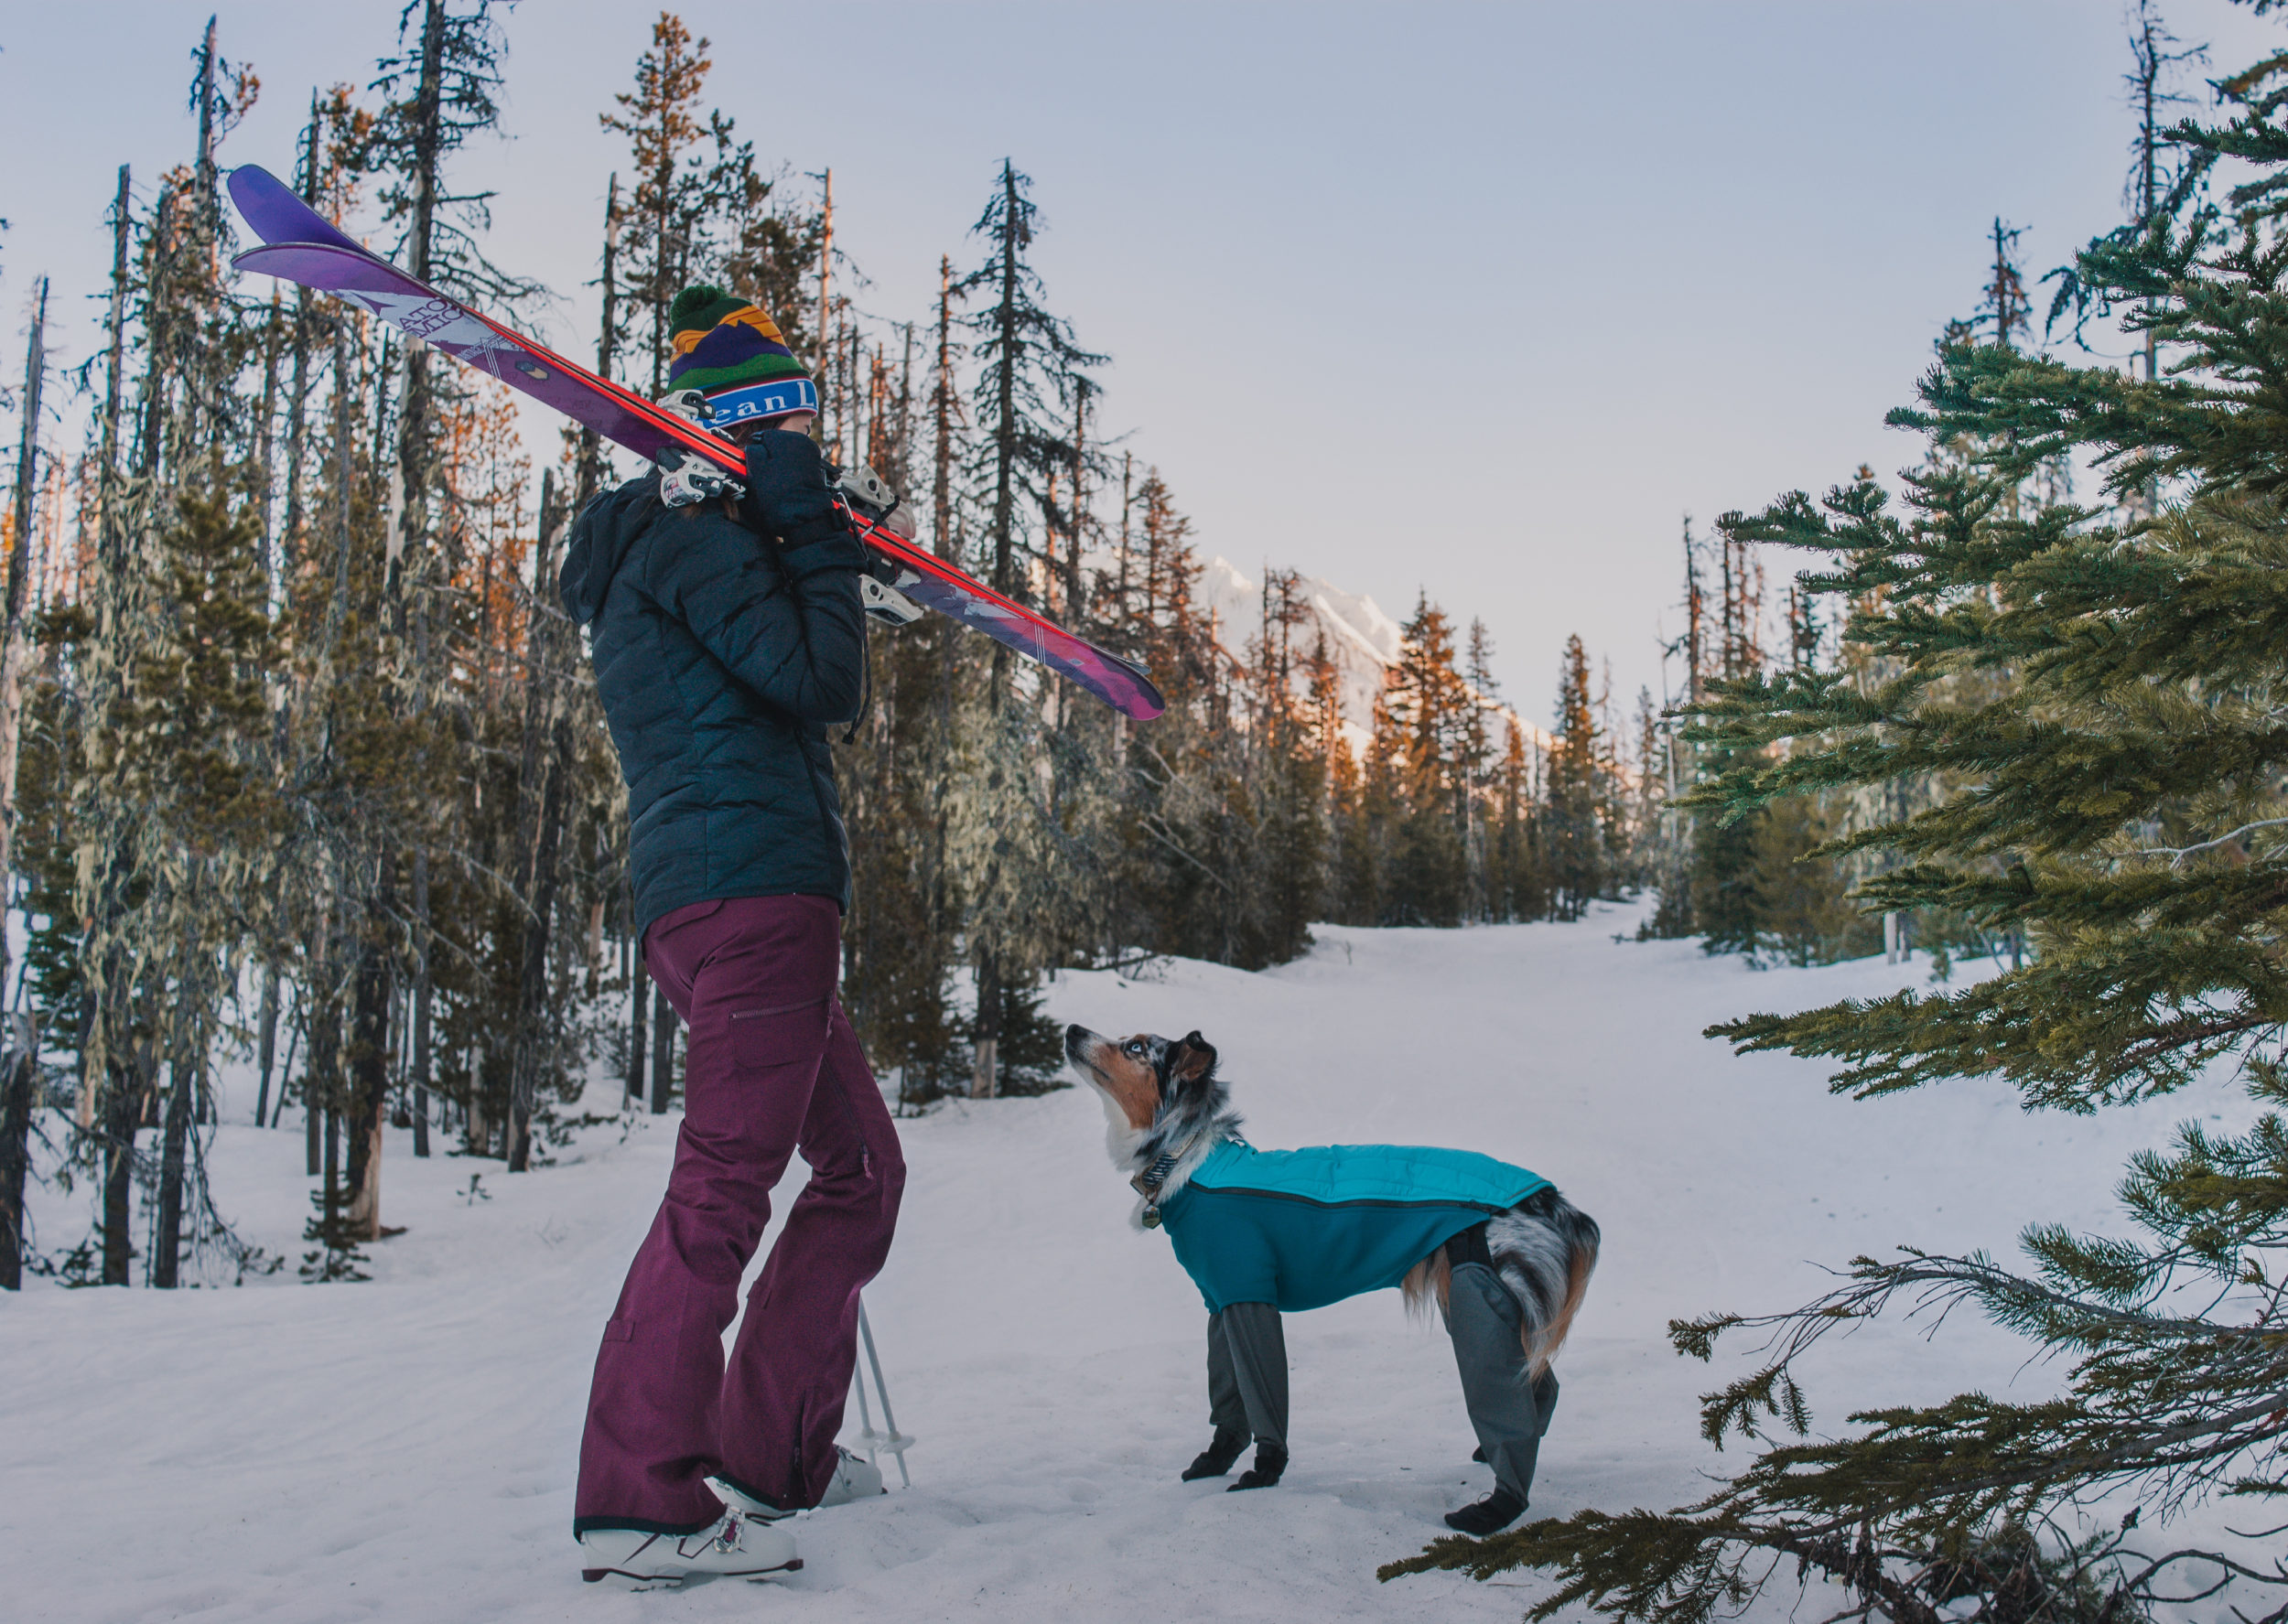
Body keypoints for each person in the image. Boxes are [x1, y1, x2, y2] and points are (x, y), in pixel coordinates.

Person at [558, 285, 907, 1586]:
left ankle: (773, 1456)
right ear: (737, 427)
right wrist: (811, 530)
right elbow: (824, 681)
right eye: (781, 423)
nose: (792, 443)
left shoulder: (680, 547)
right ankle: (640, 1496)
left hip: (734, 900)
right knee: (719, 1196)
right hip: (752, 900)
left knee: (861, 1172)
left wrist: (819, 537)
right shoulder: (690, 547)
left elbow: (782, 660)